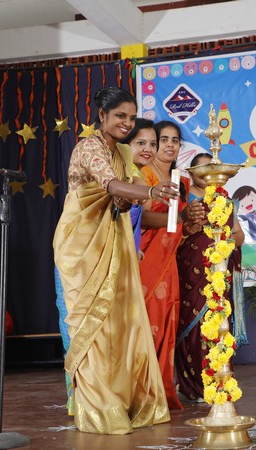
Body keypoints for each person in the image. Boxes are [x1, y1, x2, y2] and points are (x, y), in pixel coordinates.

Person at [53, 87, 177, 434]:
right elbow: (110, 185)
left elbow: (127, 195)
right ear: (102, 115)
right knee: (88, 328)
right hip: (81, 248)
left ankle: (121, 399)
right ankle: (93, 407)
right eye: (120, 115)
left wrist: (149, 196)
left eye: (131, 117)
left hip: (114, 244)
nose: (126, 123)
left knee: (119, 325)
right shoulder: (89, 147)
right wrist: (148, 191)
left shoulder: (123, 151)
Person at [139, 120, 205, 410]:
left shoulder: (182, 181)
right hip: (147, 260)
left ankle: (161, 391)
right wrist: (179, 218)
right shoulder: (143, 175)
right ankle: (144, 392)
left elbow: (179, 229)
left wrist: (190, 223)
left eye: (174, 140)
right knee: (149, 323)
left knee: (168, 324)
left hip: (172, 262)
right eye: (162, 140)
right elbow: (142, 218)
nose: (169, 145)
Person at [174, 153, 246, 402]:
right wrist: (188, 231)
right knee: (192, 325)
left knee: (218, 324)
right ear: (192, 172)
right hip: (188, 274)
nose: (208, 173)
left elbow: (239, 236)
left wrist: (222, 241)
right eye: (202, 168)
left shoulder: (224, 201)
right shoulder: (183, 200)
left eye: (211, 168)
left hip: (218, 273)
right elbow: (173, 236)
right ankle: (193, 385)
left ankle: (220, 381)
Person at [123, 118, 159, 256]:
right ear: (126, 144)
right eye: (141, 143)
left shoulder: (138, 171)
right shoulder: (124, 169)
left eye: (153, 144)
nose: (148, 149)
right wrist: (149, 191)